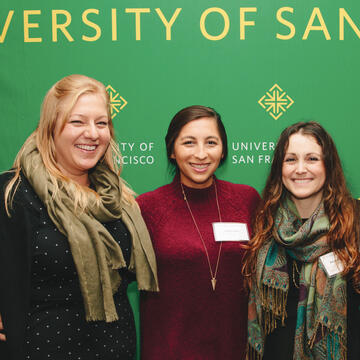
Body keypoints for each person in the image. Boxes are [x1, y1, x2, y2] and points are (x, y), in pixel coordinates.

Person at [0, 74, 158, 360]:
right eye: (77, 122)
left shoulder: (117, 196)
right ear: (51, 127)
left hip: (115, 349)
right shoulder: (13, 193)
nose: (93, 133)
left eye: (101, 123)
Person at [136, 105, 260, 359]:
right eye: (189, 143)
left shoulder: (246, 199)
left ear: (223, 149)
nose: (201, 154)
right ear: (172, 150)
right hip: (168, 351)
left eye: (211, 142)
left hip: (234, 349)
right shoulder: (147, 207)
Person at [243, 121, 360, 360]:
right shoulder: (265, 224)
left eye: (312, 159)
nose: (300, 169)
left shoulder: (355, 223)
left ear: (328, 165)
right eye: (290, 159)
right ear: (279, 168)